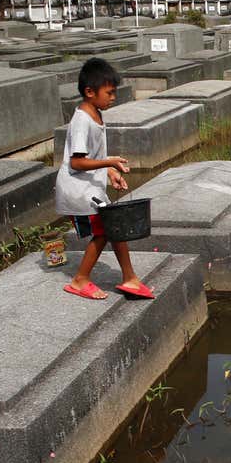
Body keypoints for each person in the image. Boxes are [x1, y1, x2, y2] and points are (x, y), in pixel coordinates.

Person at [55, 58, 153, 301]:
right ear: (90, 92)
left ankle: (129, 278)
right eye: (108, 93)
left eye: (114, 93)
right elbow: (76, 162)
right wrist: (109, 162)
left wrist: (110, 172)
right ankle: (80, 280)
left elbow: (91, 157)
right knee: (103, 231)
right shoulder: (82, 121)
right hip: (77, 190)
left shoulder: (95, 114)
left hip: (90, 187)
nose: (113, 98)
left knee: (115, 225)